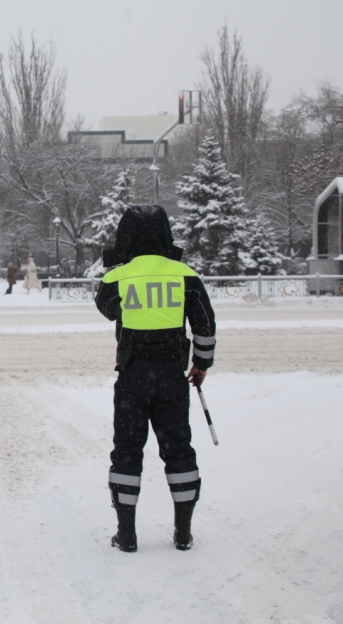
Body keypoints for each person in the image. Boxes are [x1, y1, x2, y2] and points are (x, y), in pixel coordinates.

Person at [94, 205, 216, 553]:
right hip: (172, 379)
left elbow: (106, 309)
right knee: (179, 451)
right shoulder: (186, 275)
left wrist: (121, 268)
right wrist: (201, 364)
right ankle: (183, 532)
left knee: (127, 451)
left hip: (132, 377)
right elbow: (205, 325)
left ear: (125, 237)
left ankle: (126, 534)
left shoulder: (118, 278)